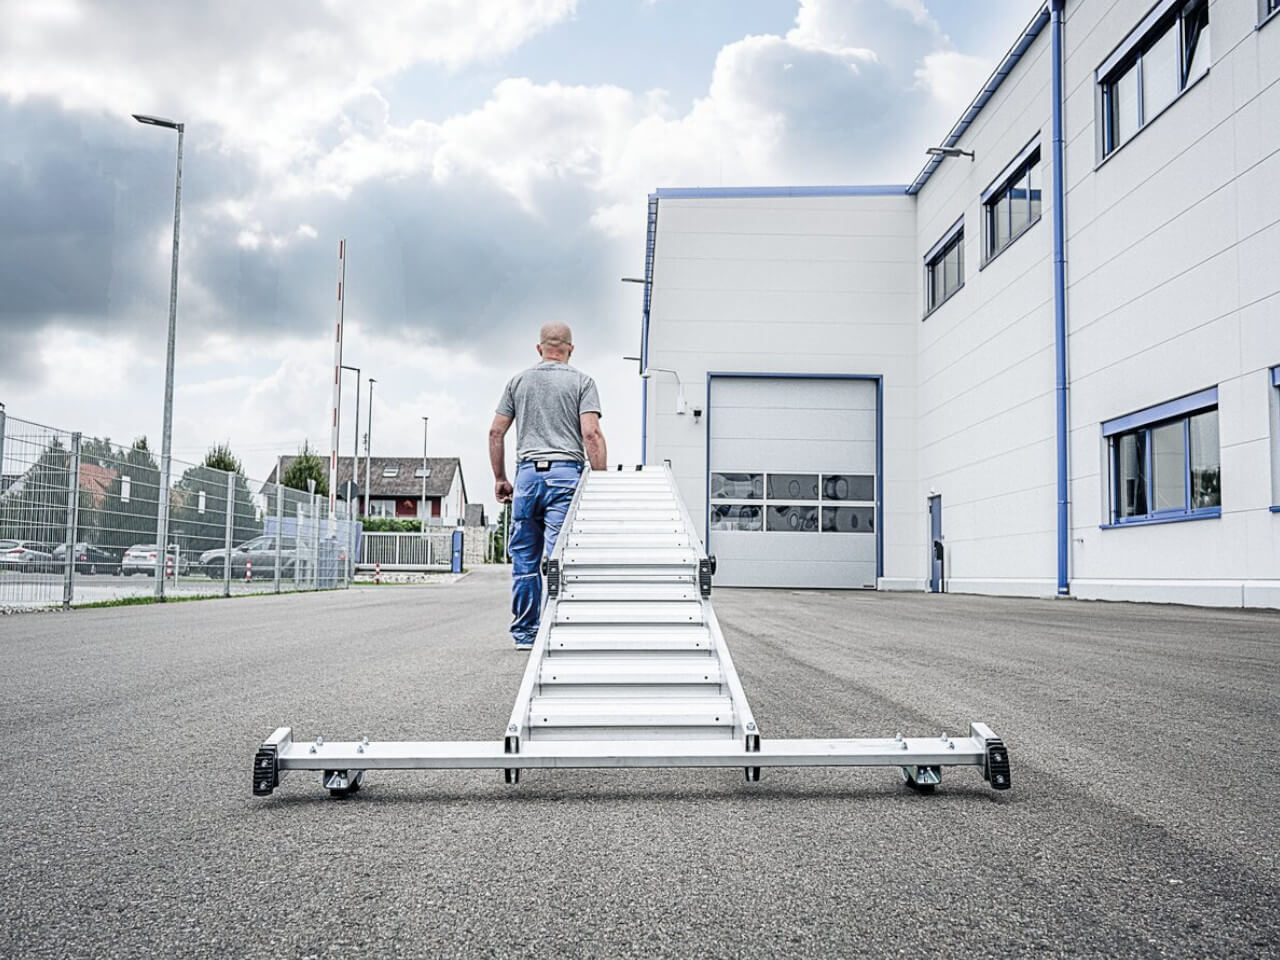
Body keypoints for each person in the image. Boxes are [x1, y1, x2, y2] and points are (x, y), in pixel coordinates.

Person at [489, 322, 607, 650]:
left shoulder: (518, 382)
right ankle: (558, 630)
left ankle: (525, 635)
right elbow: (591, 434)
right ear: (570, 349)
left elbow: (496, 432)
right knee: (560, 556)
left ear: (539, 349)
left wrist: (500, 478)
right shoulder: (583, 382)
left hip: (526, 478)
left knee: (525, 559)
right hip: (566, 476)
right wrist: (600, 482)